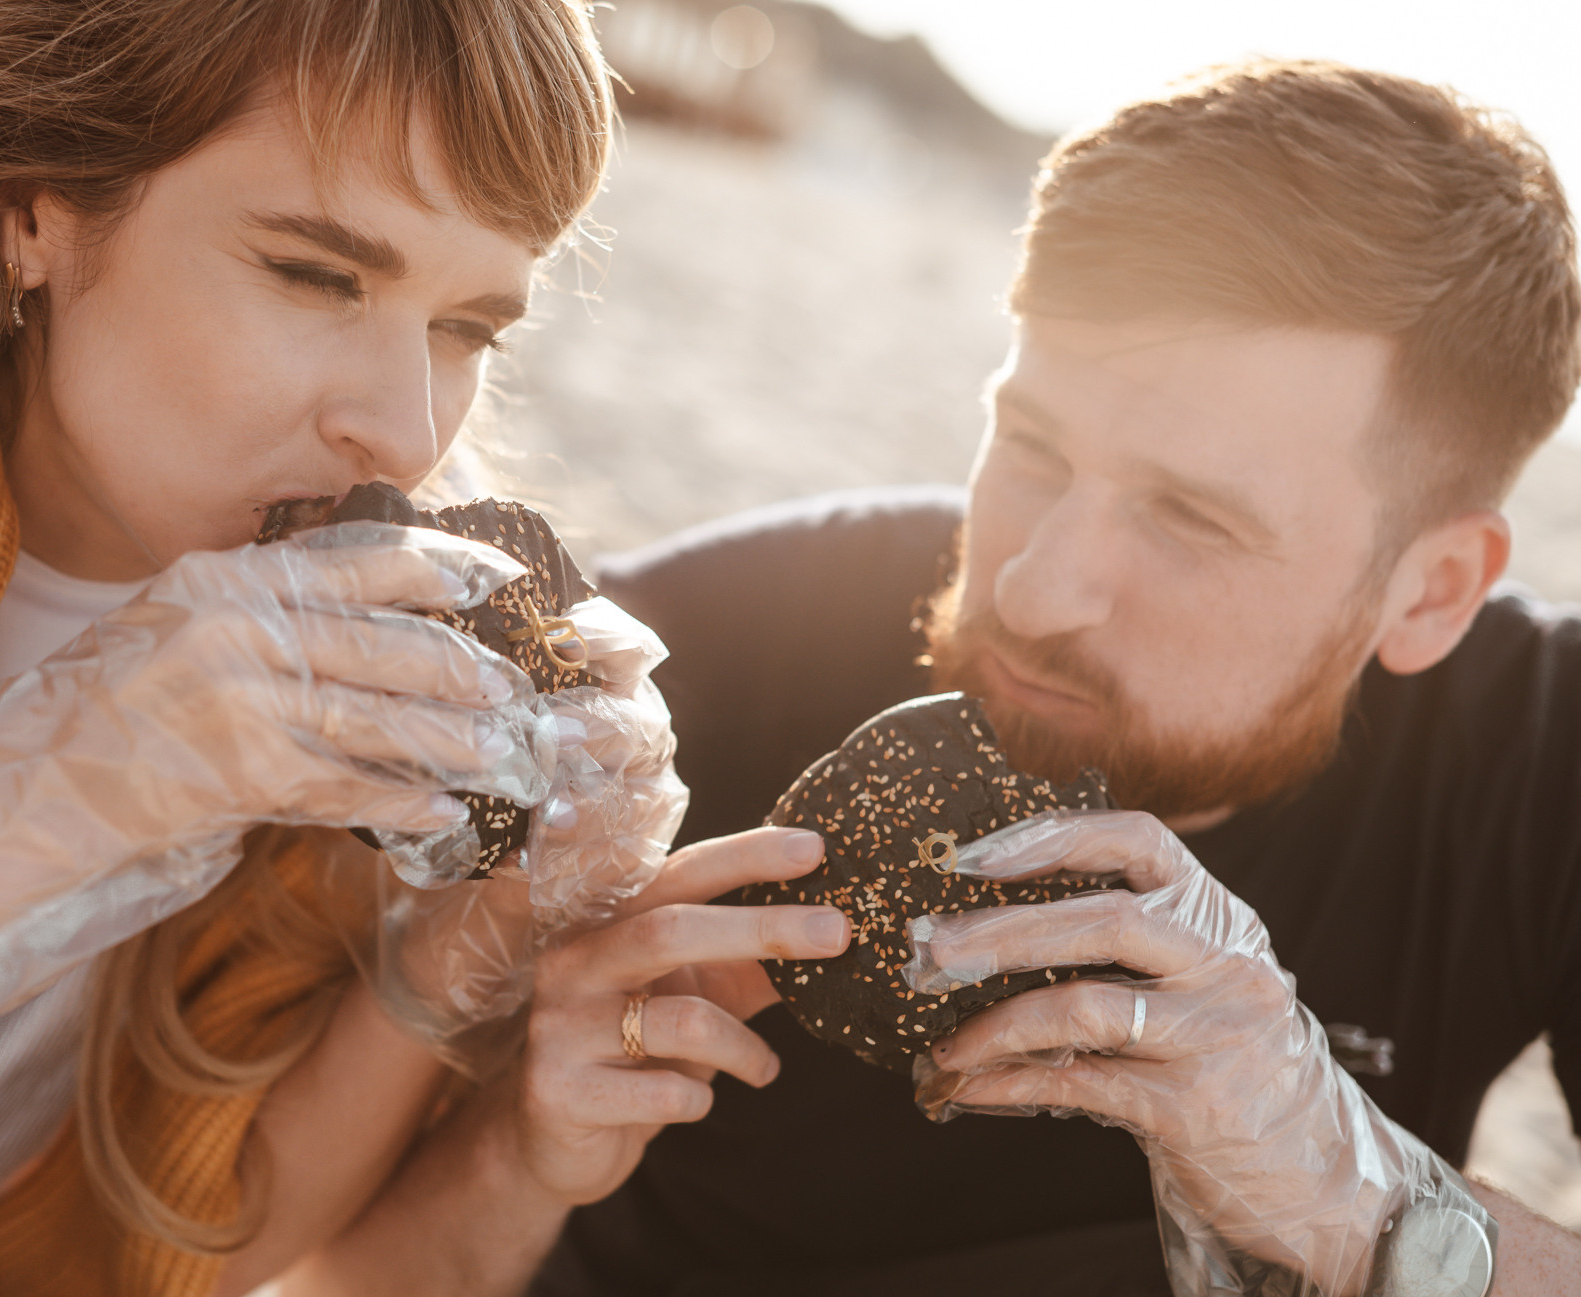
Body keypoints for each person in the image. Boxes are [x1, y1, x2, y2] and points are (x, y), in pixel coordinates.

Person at [273, 61, 1581, 1296]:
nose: (1031, 588)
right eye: (1030, 445)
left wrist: (1353, 1186)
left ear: (1432, 590)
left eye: (1189, 517)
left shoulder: (1534, 763)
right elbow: (315, 1276)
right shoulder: (676, 675)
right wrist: (518, 1150)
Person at [0, 2, 856, 1294]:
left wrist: (444, 963)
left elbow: (195, 1240)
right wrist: (42, 785)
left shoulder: (369, 673)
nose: (400, 430)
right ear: (31, 205)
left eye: (466, 329)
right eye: (316, 275)